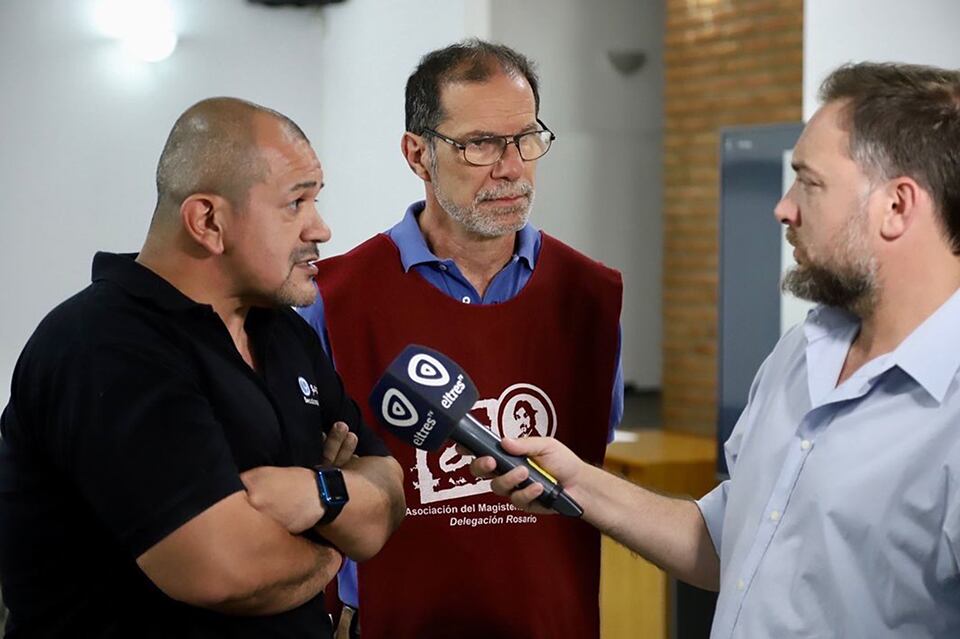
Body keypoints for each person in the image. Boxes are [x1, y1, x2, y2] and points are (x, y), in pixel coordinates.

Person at [473, 61, 960, 638]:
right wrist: (574, 481)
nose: (784, 207)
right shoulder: (801, 354)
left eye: (809, 181)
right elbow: (728, 545)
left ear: (897, 207)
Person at [0, 97, 406, 638]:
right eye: (296, 203)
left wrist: (316, 493)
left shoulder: (282, 330)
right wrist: (334, 542)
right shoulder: (104, 346)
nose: (321, 229)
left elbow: (388, 496)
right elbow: (225, 570)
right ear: (208, 221)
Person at [299, 40, 623, 638]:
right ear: (417, 154)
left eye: (526, 138)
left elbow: (590, 470)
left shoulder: (592, 298)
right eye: (480, 144)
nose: (512, 168)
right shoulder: (330, 299)